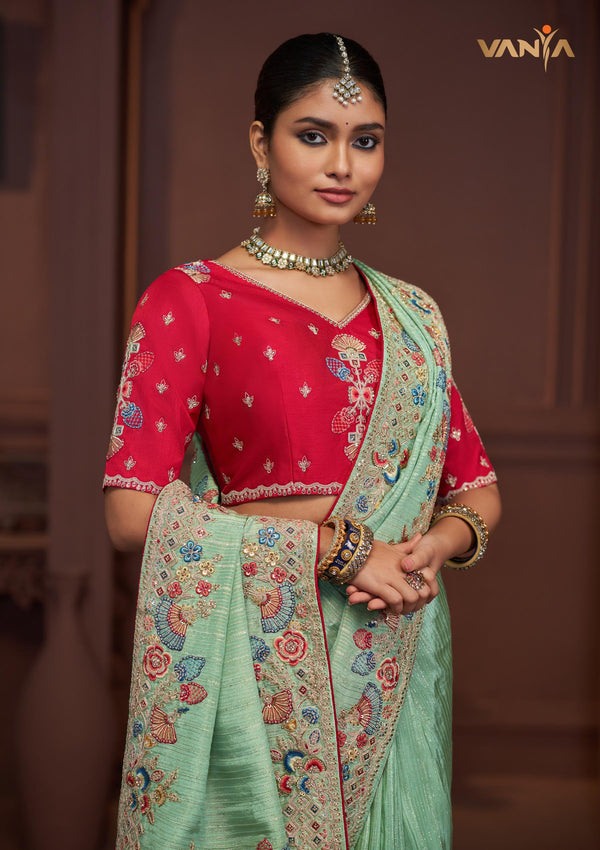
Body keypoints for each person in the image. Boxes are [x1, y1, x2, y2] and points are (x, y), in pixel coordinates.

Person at [105, 33, 501, 850]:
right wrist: (337, 549)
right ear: (261, 143)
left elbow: (476, 490)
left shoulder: (412, 317)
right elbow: (130, 515)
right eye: (313, 135)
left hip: (388, 653)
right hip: (249, 666)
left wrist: (436, 544)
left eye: (366, 141)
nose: (342, 166)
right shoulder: (191, 299)